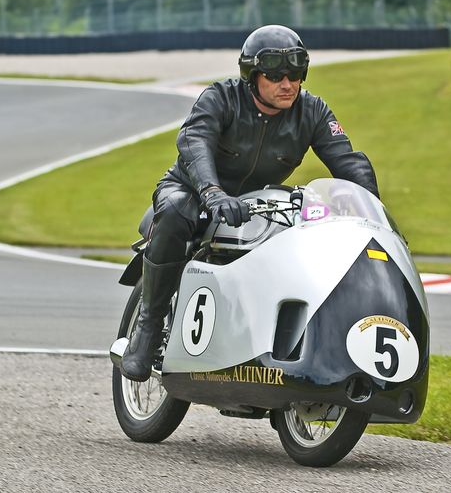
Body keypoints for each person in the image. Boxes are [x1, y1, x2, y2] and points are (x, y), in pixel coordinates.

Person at [120, 24, 380, 382]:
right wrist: (212, 193)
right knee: (178, 210)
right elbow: (194, 141)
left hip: (256, 205)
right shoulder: (221, 98)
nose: (287, 84)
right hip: (191, 191)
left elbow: (348, 162)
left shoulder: (313, 111)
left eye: (295, 74)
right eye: (275, 75)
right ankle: (147, 332)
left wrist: (374, 217)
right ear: (252, 76)